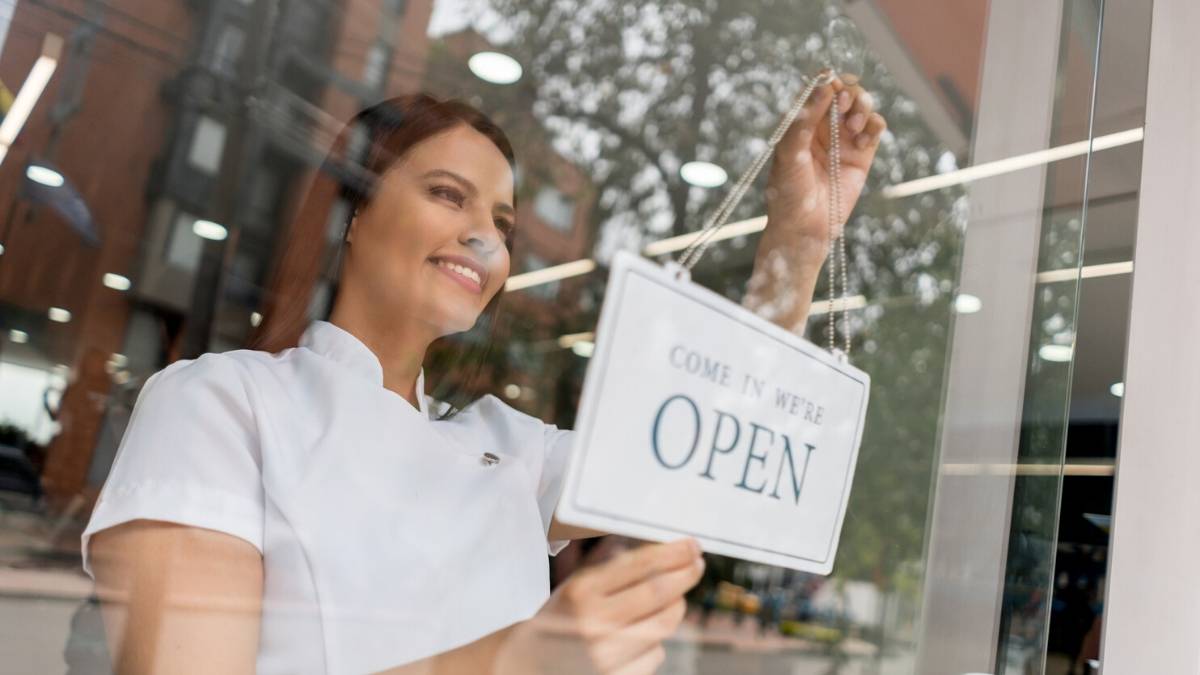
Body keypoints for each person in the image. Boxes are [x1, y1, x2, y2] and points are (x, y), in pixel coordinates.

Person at [82, 80, 885, 674]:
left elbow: (708, 453)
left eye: (501, 224)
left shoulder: (510, 449)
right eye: (446, 195)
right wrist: (519, 660)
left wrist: (798, 240)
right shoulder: (221, 403)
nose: (485, 240)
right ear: (351, 213)